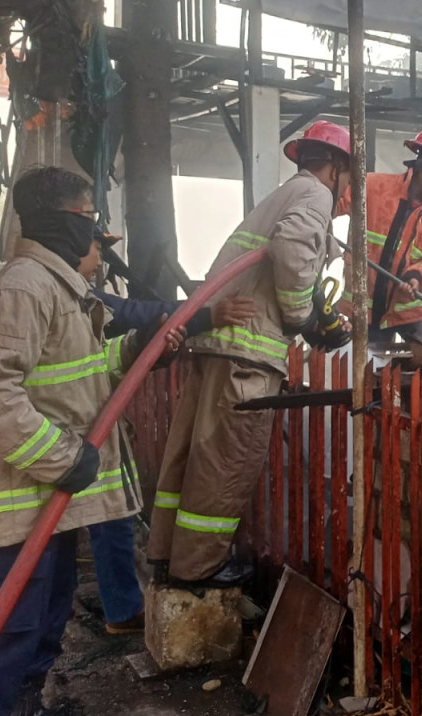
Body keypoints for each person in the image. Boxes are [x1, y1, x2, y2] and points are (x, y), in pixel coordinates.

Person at [0, 166, 151, 716]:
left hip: (45, 499)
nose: (98, 232)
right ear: (59, 221)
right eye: (88, 216)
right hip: (16, 500)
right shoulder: (25, 288)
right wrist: (62, 455)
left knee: (42, 620)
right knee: (3, 636)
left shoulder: (59, 288)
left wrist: (141, 346)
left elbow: (75, 369)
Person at [147, 121, 353, 589]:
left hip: (221, 345)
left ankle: (165, 554)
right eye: (349, 181)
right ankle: (197, 568)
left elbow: (286, 250)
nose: (347, 195)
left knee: (189, 455)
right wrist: (303, 316)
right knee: (226, 462)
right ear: (336, 167)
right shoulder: (315, 195)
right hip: (248, 357)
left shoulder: (286, 194)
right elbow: (294, 248)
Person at [76, 229, 258, 633]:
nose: (100, 257)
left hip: (79, 428)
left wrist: (167, 329)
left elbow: (136, 317)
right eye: (94, 246)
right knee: (110, 518)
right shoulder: (71, 297)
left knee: (112, 519)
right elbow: (135, 313)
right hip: (77, 431)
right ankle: (122, 612)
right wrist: (208, 315)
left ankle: (121, 609)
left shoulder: (76, 295)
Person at [336, 124, 422, 345]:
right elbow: (331, 204)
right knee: (365, 373)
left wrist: (416, 276)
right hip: (363, 312)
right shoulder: (372, 187)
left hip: (413, 311)